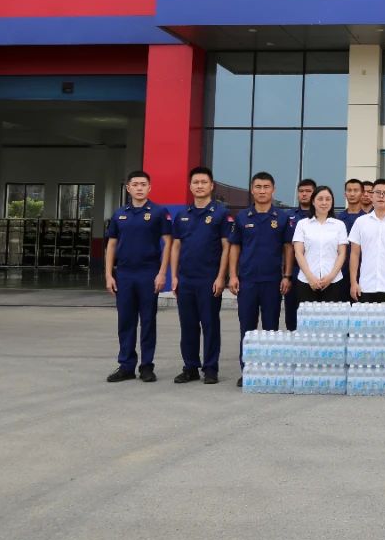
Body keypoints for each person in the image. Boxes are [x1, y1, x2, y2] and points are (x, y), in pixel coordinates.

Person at [104, 170, 172, 383]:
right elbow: (111, 245)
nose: (140, 188)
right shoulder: (119, 214)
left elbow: (168, 242)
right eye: (135, 184)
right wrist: (108, 275)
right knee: (126, 321)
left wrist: (162, 273)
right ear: (128, 188)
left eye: (143, 184)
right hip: (124, 274)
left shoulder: (159, 213)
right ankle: (126, 365)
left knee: (148, 321)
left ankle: (146, 366)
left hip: (148, 273)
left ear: (149, 188)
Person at [228, 172, 291, 387]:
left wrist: (287, 275)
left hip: (273, 281)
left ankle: (269, 369)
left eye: (266, 187)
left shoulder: (281, 218)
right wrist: (233, 275)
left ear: (273, 190)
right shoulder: (243, 217)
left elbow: (288, 248)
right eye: (258, 187)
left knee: (271, 328)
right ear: (252, 190)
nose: (262, 191)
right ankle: (248, 370)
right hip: (247, 281)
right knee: (247, 327)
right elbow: (234, 247)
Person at [168, 166, 230, 385]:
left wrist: (221, 277)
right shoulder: (182, 215)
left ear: (211, 186)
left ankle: (210, 368)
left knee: (210, 325)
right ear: (190, 186)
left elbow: (226, 247)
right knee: (188, 325)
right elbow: (176, 247)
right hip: (186, 279)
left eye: (204, 182)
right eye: (196, 182)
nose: (200, 186)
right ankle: (190, 367)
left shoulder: (220, 213)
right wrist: (174, 276)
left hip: (209, 279)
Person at [291, 185, 349, 303]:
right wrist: (310, 277)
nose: (324, 202)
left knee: (330, 320)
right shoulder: (303, 224)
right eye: (320, 199)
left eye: (328, 199)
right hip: (306, 281)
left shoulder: (339, 225)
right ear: (313, 201)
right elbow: (298, 252)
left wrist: (330, 277)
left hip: (333, 281)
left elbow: (342, 254)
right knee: (308, 320)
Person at [282, 178, 316, 331]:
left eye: (308, 191)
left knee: (313, 313)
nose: (304, 194)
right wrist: (287, 276)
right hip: (295, 271)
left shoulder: (322, 216)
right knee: (292, 312)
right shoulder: (289, 216)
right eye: (301, 191)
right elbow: (288, 246)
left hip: (316, 272)